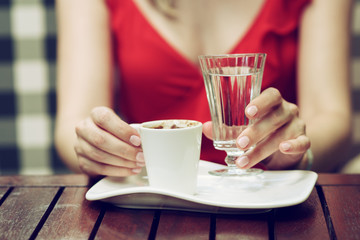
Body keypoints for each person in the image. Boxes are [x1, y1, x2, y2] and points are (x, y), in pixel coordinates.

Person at [55, 0, 352, 178]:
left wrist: (295, 153)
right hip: (152, 198)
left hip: (267, 196)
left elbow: (333, 116)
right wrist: (96, 147)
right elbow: (73, 122)